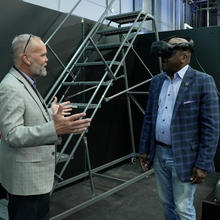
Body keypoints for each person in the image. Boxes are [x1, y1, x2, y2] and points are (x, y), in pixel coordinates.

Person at [0, 34, 91, 220]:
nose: (47, 59)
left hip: (34, 182)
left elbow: (27, 118)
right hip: (26, 186)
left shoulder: (24, 82)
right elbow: (11, 134)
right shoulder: (11, 87)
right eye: (42, 55)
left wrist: (50, 113)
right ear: (26, 58)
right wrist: (54, 128)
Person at [139, 37, 219, 220]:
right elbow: (149, 118)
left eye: (168, 55)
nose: (163, 59)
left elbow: (211, 127)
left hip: (185, 157)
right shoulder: (157, 81)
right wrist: (144, 149)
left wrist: (202, 164)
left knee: (183, 207)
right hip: (159, 154)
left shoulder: (203, 82)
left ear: (184, 57)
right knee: (167, 203)